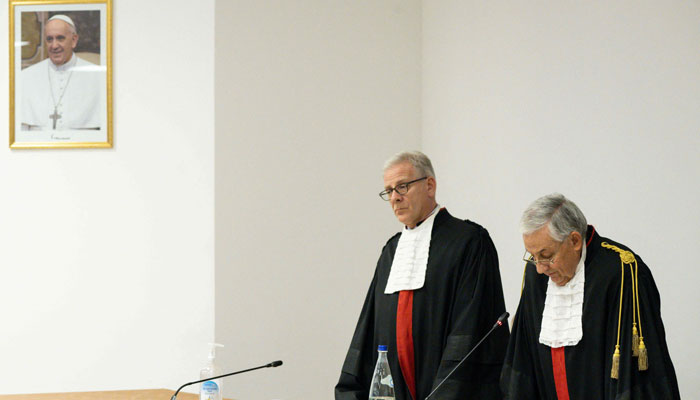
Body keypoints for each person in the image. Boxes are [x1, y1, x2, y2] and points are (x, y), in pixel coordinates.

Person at [335, 151, 509, 400]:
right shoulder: (391, 251)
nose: (395, 198)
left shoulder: (468, 242)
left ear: (429, 185)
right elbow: (369, 330)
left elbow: (471, 331)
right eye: (389, 191)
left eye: (402, 186)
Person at [501, 193, 680, 399]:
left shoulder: (621, 273)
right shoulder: (536, 276)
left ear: (575, 240)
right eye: (533, 257)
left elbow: (637, 377)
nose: (540, 268)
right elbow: (523, 364)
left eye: (546, 256)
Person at [21, 14, 101, 131]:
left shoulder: (98, 77)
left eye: (60, 38)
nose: (54, 46)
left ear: (74, 40)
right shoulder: (26, 77)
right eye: (49, 39)